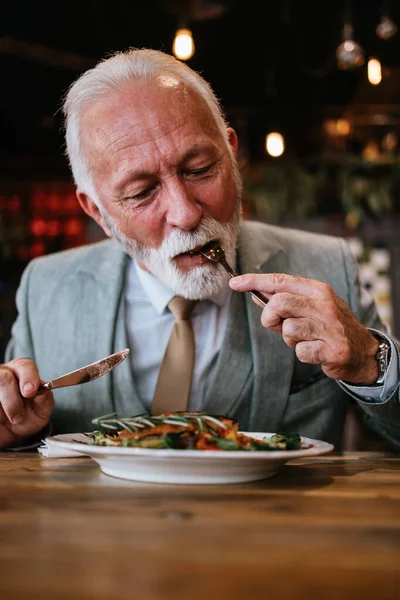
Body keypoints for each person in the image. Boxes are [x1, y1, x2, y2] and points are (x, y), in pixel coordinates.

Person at [1, 48, 400, 451]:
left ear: (232, 154)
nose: (186, 214)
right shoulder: (45, 289)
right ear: (97, 212)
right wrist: (17, 428)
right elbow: (23, 438)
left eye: (200, 170)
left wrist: (368, 362)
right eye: (142, 193)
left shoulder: (327, 265)